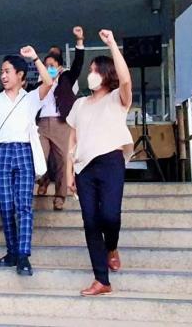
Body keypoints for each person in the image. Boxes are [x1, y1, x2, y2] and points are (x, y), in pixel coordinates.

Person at [66, 29, 133, 296]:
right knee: (90, 221)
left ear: (106, 74)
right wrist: (70, 171)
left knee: (110, 216)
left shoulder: (118, 98)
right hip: (84, 167)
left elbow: (126, 79)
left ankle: (112, 247)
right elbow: (72, 139)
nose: (91, 73)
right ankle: (101, 279)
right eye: (90, 69)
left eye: (95, 69)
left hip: (111, 162)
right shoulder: (80, 104)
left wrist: (113, 44)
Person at [0, 46, 53, 276]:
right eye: (2, 71)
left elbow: (49, 83)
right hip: (0, 153)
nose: (3, 75)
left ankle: (23, 255)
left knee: (24, 206)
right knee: (6, 205)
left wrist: (35, 59)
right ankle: (11, 251)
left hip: (23, 151)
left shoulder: (31, 99)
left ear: (20, 75)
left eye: (7, 71)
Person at [36, 26, 85, 211]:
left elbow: (79, 64)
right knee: (40, 156)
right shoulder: (38, 84)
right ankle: (43, 179)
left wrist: (79, 42)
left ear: (59, 67)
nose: (48, 69)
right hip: (41, 124)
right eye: (45, 65)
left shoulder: (66, 78)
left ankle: (60, 196)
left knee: (63, 159)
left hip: (61, 123)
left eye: (51, 66)